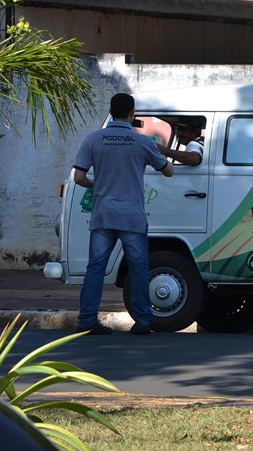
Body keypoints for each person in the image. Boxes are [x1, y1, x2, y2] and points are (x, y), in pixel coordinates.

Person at [73, 93, 174, 335]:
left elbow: (78, 177)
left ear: (110, 110)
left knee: (95, 268)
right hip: (132, 217)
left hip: (103, 215)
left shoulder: (93, 139)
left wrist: (97, 185)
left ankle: (87, 320)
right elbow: (168, 171)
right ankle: (142, 321)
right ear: (132, 114)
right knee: (138, 268)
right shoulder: (142, 142)